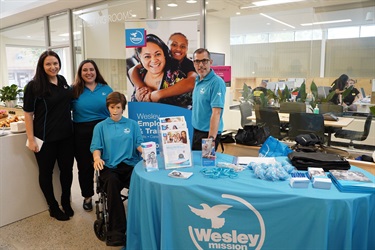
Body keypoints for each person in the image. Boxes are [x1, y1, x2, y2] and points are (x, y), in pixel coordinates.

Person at [23, 50, 74, 221]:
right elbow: (28, 114)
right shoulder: (34, 86)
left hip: (66, 136)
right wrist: (30, 139)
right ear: (42, 66)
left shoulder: (63, 81)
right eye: (48, 64)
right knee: (46, 173)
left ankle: (65, 201)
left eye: (55, 63)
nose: (53, 67)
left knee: (67, 171)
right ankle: (52, 206)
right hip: (45, 139)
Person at [91, 92, 143, 247]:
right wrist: (96, 158)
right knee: (112, 185)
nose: (115, 110)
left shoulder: (132, 125)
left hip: (129, 165)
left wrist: (147, 152)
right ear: (108, 107)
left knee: (140, 183)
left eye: (118, 107)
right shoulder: (100, 127)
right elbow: (96, 147)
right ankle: (117, 232)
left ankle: (140, 225)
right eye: (112, 107)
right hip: (109, 167)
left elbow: (138, 144)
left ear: (123, 108)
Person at [71, 59, 113, 212]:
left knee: (105, 163)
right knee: (84, 167)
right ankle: (87, 196)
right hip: (81, 132)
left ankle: (106, 193)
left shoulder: (106, 89)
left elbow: (115, 109)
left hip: (103, 131)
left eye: (91, 69)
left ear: (96, 72)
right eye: (85, 70)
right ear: (80, 73)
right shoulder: (74, 90)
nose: (88, 72)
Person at [128, 33, 196, 108]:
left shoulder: (187, 66)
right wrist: (141, 88)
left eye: (183, 46)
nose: (178, 49)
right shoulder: (144, 70)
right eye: (174, 45)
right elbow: (132, 70)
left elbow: (192, 81)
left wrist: (158, 94)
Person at [191, 48, 226, 151]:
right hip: (195, 131)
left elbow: (216, 113)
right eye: (197, 61)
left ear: (210, 62)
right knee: (196, 164)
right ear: (194, 63)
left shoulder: (217, 82)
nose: (201, 65)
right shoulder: (198, 80)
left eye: (204, 61)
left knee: (206, 164)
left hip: (208, 135)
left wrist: (210, 141)